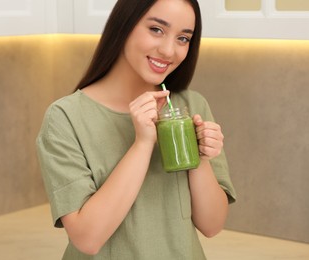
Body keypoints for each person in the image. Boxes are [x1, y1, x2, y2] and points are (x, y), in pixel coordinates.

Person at [36, 0, 236, 259]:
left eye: (183, 38)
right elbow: (87, 238)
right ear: (124, 25)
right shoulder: (65, 118)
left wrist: (201, 160)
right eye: (156, 29)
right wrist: (142, 144)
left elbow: (212, 225)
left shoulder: (190, 106)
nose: (168, 50)